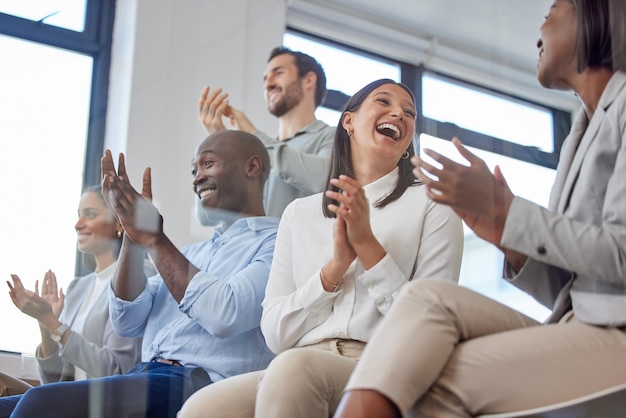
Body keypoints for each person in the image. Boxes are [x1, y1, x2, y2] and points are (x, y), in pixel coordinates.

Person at [334, 1, 626, 417]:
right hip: (581, 324)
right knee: (427, 298)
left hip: (615, 333)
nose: (539, 30)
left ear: (597, 16)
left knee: (430, 386)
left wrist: (508, 213)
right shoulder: (579, 134)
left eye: (552, 11)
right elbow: (574, 288)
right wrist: (509, 240)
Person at [178, 79, 463, 418]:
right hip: (295, 362)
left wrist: (367, 246)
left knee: (296, 371)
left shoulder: (434, 205)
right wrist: (334, 270)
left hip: (383, 367)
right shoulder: (300, 213)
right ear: (349, 122)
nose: (399, 114)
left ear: (407, 145)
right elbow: (275, 332)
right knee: (200, 408)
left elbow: (430, 329)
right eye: (384, 102)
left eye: (409, 112)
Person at [7, 130, 279, 418]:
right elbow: (128, 319)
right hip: (146, 375)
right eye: (193, 169)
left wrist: (154, 239)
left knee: (39, 405)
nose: (197, 177)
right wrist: (133, 236)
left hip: (199, 385)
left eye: (208, 164)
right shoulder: (190, 254)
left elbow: (226, 313)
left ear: (253, 167)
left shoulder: (277, 242)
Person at [0, 186, 152, 416]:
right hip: (72, 401)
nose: (78, 224)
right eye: (78, 214)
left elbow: (116, 371)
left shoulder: (139, 276)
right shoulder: (77, 288)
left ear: (119, 224)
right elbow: (53, 381)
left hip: (106, 405)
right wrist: (45, 325)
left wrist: (55, 324)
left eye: (90, 214)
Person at [198, 46, 335, 218]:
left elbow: (324, 179)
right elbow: (208, 217)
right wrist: (218, 149)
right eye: (265, 78)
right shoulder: (258, 153)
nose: (268, 84)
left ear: (308, 80)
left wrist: (253, 134)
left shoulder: (332, 136)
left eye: (278, 72)